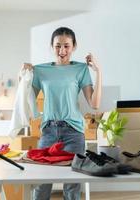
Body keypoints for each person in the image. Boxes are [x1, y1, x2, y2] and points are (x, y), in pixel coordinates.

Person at [22, 27, 102, 200]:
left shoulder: (81, 70)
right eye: (58, 46)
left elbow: (94, 104)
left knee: (72, 187)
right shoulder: (41, 71)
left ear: (73, 46)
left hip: (73, 132)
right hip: (49, 131)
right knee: (42, 184)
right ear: (51, 46)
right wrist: (24, 77)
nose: (62, 51)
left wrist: (98, 71)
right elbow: (27, 99)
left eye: (66, 46)